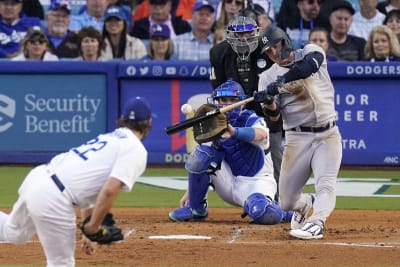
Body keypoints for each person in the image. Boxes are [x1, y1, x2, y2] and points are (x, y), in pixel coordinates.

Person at [0, 96, 153, 266]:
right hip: (53, 197)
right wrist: (93, 228)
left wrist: (89, 230)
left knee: (15, 233)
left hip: (38, 177)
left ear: (122, 119)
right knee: (61, 263)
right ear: (149, 123)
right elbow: (110, 190)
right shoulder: (135, 149)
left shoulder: (110, 138)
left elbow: (88, 189)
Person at [254, 25, 342, 239]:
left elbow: (307, 68)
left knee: (326, 183)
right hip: (297, 137)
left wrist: (281, 84)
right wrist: (268, 104)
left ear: (285, 41)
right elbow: (274, 121)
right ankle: (305, 205)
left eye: (275, 46)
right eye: (268, 52)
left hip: (327, 134)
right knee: (286, 202)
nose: (273, 53)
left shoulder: (312, 51)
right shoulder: (266, 77)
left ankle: (317, 222)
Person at [168, 79, 293, 224]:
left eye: (232, 100)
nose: (227, 104)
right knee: (201, 154)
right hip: (227, 182)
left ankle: (278, 210)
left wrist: (234, 132)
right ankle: (196, 209)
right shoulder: (213, 124)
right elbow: (201, 163)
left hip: (255, 182)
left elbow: (261, 134)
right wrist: (191, 192)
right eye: (223, 100)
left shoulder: (252, 119)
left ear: (243, 102)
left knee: (267, 216)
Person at [210, 16, 283, 198]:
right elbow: (220, 91)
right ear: (231, 35)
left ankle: (282, 201)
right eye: (239, 34)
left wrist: (271, 111)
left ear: (256, 32)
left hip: (266, 114)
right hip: (237, 115)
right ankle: (198, 200)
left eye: (248, 33)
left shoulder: (268, 50)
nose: (243, 38)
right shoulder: (219, 54)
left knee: (276, 159)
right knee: (209, 154)